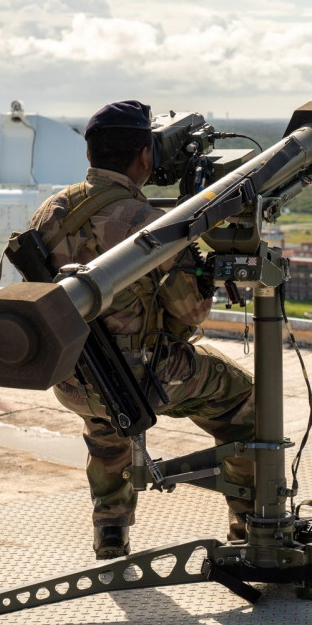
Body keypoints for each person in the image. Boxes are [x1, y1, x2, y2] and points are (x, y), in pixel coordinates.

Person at [27, 100, 255, 559]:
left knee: (106, 419)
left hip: (73, 377)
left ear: (89, 153)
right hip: (147, 380)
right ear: (146, 157)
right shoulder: (150, 224)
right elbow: (191, 315)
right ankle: (250, 523)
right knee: (246, 400)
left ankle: (111, 529)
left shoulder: (49, 212)